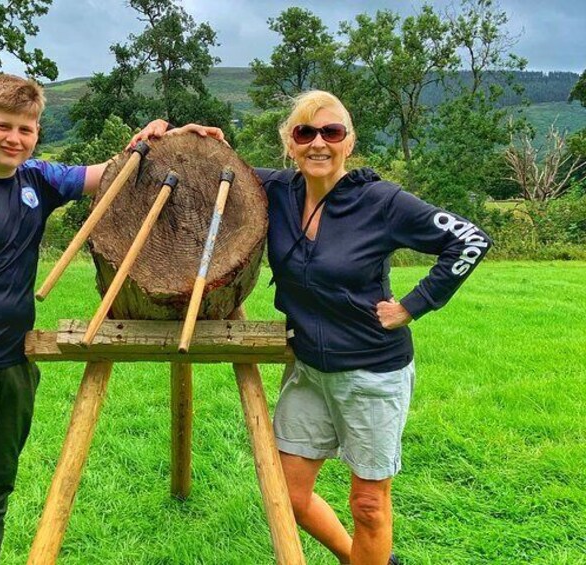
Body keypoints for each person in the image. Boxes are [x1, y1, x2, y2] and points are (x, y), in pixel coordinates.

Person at [135, 90, 491, 565]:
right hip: (307, 369)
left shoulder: (380, 201)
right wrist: (178, 136)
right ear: (290, 142)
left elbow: (470, 238)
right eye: (305, 132)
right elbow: (204, 176)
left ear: (349, 141)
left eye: (332, 132)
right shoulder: (276, 192)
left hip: (371, 373)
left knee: (367, 504)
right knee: (289, 495)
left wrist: (413, 304)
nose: (318, 143)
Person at [0, 73, 155, 564]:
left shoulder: (37, 180)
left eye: (26, 129)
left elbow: (114, 172)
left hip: (16, 364)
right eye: (3, 126)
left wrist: (160, 136)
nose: (14, 138)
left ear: (37, 132)